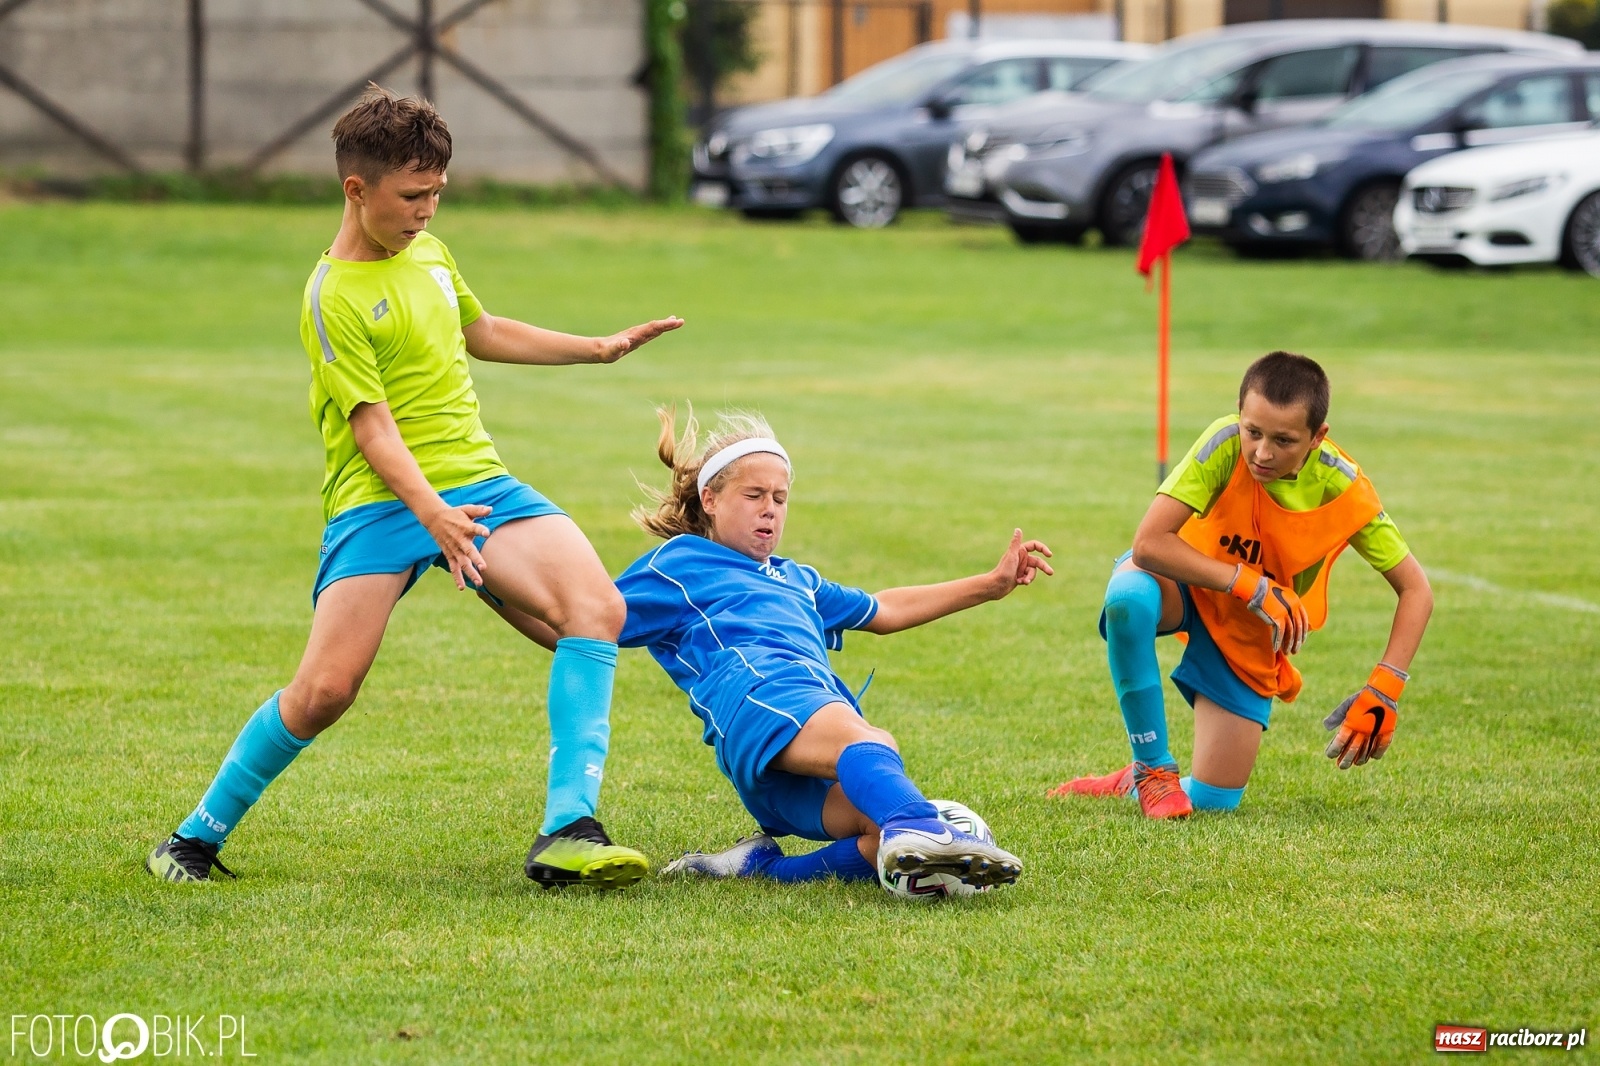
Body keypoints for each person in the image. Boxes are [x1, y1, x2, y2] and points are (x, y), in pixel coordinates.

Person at [144, 86, 681, 888]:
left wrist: (596, 348)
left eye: (436, 192)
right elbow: (373, 431)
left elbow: (484, 331)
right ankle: (191, 840)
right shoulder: (331, 297)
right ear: (355, 190)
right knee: (326, 690)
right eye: (411, 195)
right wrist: (433, 518)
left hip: (478, 484)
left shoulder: (429, 253)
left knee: (594, 611)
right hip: (382, 506)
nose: (427, 210)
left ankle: (570, 830)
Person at [609, 407, 1052, 890]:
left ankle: (762, 869)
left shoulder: (796, 578)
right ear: (710, 499)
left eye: (780, 497)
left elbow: (884, 610)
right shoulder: (681, 562)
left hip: (791, 749)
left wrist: (989, 585)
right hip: (759, 697)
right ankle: (927, 828)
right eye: (753, 495)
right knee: (871, 745)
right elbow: (585, 616)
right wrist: (512, 592)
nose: (770, 508)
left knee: (877, 831)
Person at [1051, 351, 1433, 819]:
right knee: (1128, 598)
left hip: (1245, 630)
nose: (1262, 452)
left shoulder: (1344, 487)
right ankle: (1152, 770)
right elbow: (1149, 544)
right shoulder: (1224, 441)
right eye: (1253, 432)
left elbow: (1417, 590)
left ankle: (1124, 784)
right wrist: (1248, 584)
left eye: (1284, 440)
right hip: (1184, 583)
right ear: (1239, 417)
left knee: (1214, 803)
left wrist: (1384, 689)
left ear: (1318, 437)